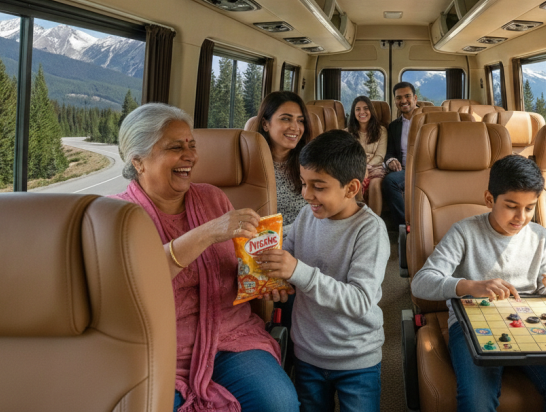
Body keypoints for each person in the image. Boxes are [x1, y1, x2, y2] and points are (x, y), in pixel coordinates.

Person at [110, 103, 298, 412]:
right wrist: (208, 232)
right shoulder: (117, 215)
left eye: (192, 145)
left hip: (231, 335)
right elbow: (131, 282)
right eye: (176, 147)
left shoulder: (212, 197)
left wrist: (263, 282)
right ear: (138, 161)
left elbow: (234, 266)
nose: (191, 156)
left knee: (279, 403)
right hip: (155, 350)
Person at [411, 155, 546, 412]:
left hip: (529, 323)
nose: (521, 217)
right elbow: (420, 283)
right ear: (489, 199)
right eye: (511, 206)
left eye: (529, 208)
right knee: (476, 401)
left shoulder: (540, 237)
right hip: (471, 324)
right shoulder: (464, 232)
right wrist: (468, 286)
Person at [257, 130, 389, 412]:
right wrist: (275, 277)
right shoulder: (307, 216)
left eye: (318, 186)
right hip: (307, 352)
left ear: (351, 188)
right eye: (304, 184)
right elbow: (289, 258)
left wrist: (297, 272)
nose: (306, 195)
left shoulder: (370, 231)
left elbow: (360, 301)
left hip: (356, 358)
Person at [248, 91, 312, 235]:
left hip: (307, 241)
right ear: (265, 124)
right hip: (260, 245)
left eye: (300, 120)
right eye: (286, 119)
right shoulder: (249, 166)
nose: (295, 127)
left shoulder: (311, 164)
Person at [381, 81, 419, 225]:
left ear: (415, 98)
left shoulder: (431, 119)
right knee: (390, 181)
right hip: (403, 170)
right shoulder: (394, 126)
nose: (403, 101)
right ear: (395, 101)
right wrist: (390, 161)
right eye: (399, 98)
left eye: (407, 96)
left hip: (425, 168)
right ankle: (404, 227)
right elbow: (389, 152)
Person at [346, 95, 388, 213]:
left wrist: (366, 166)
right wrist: (361, 166)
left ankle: (375, 222)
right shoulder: (347, 133)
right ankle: (357, 220)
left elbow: (380, 156)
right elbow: (348, 157)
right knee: (355, 183)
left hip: (376, 167)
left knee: (375, 184)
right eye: (358, 109)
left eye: (365, 108)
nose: (362, 112)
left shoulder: (381, 131)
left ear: (371, 111)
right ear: (353, 113)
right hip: (355, 167)